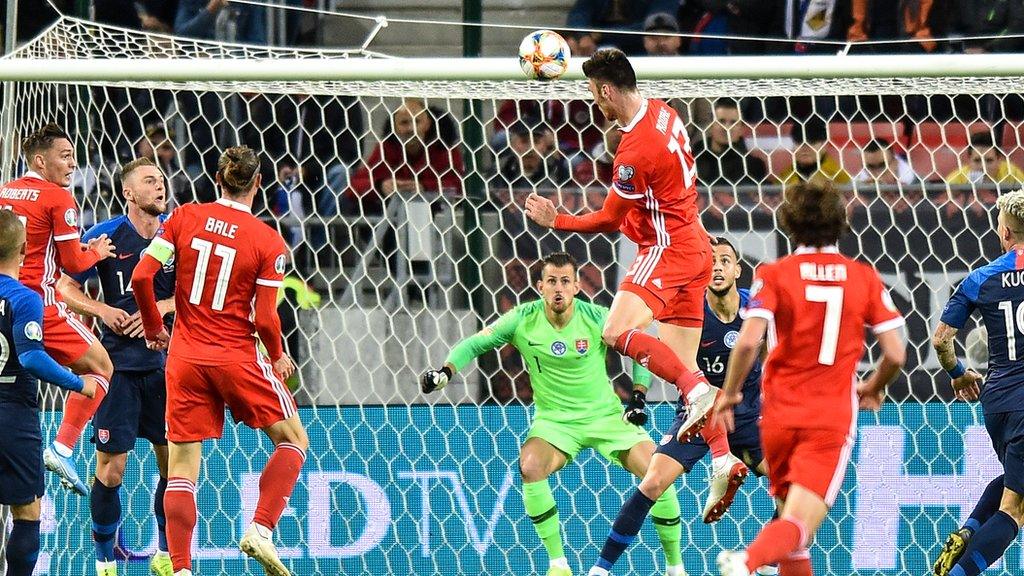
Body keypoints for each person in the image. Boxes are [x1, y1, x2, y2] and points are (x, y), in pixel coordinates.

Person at [524, 49, 748, 568]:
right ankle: (721, 456)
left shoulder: (633, 149)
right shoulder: (664, 112)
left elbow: (606, 218)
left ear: (604, 90)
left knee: (615, 331)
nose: (590, 100)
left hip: (667, 251)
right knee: (685, 367)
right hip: (696, 242)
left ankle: (695, 394)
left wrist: (557, 221)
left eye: (591, 92)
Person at [422, 252, 686, 576]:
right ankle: (558, 564)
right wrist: (445, 372)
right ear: (540, 286)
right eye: (551, 282)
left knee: (659, 473)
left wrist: (639, 396)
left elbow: (641, 347)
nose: (558, 288)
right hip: (555, 422)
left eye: (565, 281)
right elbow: (475, 344)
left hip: (606, 418)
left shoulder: (597, 317)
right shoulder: (522, 319)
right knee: (530, 466)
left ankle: (676, 567)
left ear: (576, 286)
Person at [714, 180, 907, 576]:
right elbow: (895, 353)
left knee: (795, 530)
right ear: (841, 222)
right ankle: (746, 562)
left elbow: (748, 342)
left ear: (789, 224)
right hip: (829, 419)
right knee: (800, 526)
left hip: (779, 418)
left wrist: (730, 394)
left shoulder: (775, 273)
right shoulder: (863, 278)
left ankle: (756, 559)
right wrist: (873, 386)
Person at [132, 146, 307, 576]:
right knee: (293, 440)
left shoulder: (183, 217)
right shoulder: (269, 240)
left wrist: (155, 328)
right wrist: (280, 357)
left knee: (182, 470)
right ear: (259, 184)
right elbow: (266, 317)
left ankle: (183, 568)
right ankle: (261, 530)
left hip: (186, 358)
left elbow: (141, 276)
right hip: (237, 356)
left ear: (218, 178)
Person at [586, 238, 778, 575]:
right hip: (697, 415)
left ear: (737, 269)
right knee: (653, 482)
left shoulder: (755, 311)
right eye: (712, 262)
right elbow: (655, 354)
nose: (717, 267)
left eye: (724, 261)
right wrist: (640, 390)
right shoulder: (688, 315)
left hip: (745, 417)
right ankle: (600, 570)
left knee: (790, 488)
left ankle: (767, 564)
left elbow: (768, 356)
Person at [57, 158, 176, 576]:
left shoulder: (176, 236)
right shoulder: (104, 236)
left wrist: (158, 309)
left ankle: (166, 554)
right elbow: (64, 286)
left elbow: (196, 293)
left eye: (161, 180)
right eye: (149, 181)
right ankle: (105, 561)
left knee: (172, 464)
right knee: (111, 469)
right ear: (129, 193)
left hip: (166, 365)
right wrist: (103, 309)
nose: (160, 187)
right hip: (117, 368)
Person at [1, 123, 117, 495]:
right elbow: (73, 263)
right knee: (101, 368)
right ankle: (61, 448)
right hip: (38, 304)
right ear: (40, 159)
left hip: (3, 302)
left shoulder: (5, 190)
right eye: (64, 156)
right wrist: (96, 252)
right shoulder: (57, 198)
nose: (72, 164)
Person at [930, 188, 1024, 576]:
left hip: (997, 399)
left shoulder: (980, 279)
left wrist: (957, 375)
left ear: (1004, 233)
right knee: (1015, 508)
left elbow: (940, 339)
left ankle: (969, 530)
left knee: (1014, 483)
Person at [0, 209, 98, 576]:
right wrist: (79, 383)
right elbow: (32, 359)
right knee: (26, 511)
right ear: (25, 250)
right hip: (13, 415)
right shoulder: (24, 298)